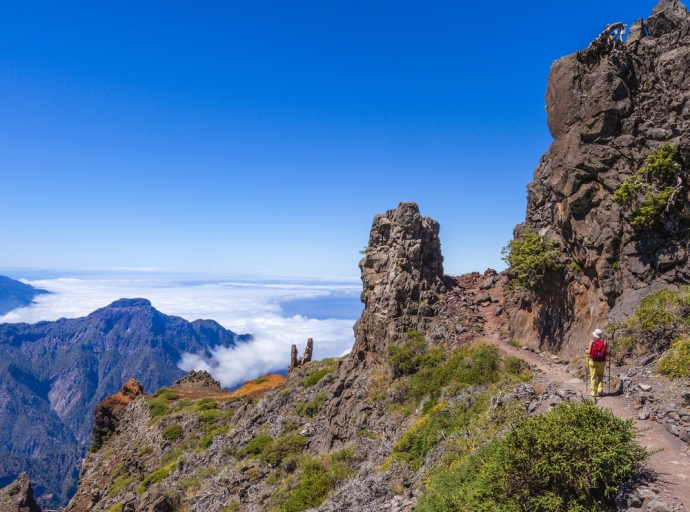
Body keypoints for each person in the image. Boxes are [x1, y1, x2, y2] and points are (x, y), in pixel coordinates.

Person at [586, 329, 607, 397]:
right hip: (602, 361)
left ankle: (593, 392)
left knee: (593, 377)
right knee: (600, 375)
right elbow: (606, 352)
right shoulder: (604, 342)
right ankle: (600, 389)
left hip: (593, 361)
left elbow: (589, 352)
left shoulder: (592, 341)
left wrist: (585, 351)